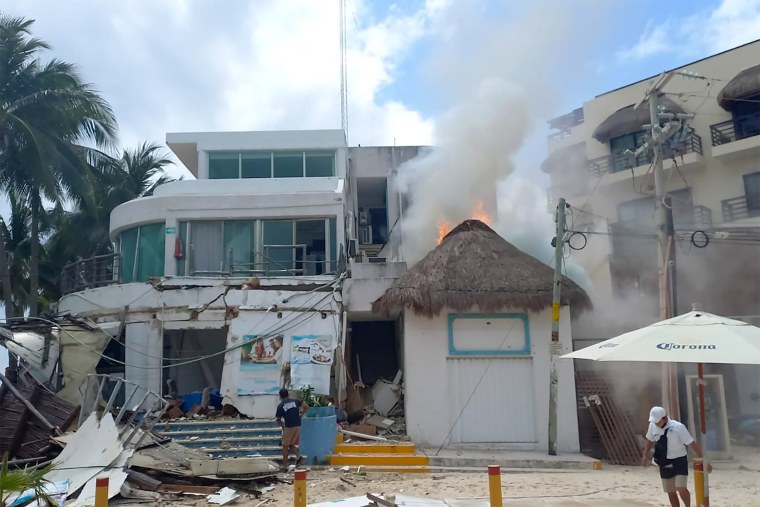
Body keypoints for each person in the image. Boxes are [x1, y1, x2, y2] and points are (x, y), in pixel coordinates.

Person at [640, 406, 711, 507]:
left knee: (681, 487)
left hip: (679, 460)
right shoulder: (652, 426)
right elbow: (650, 440)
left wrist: (704, 461)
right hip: (663, 461)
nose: (656, 424)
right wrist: (645, 455)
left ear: (664, 418)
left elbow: (692, 443)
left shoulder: (678, 427)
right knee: (671, 491)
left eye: (658, 421)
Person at [275, 387, 308, 468]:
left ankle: (285, 466)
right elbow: (306, 406)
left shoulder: (280, 406)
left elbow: (278, 419)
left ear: (280, 396)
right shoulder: (295, 401)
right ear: (288, 394)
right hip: (298, 425)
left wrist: (283, 427)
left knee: (285, 446)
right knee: (291, 444)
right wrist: (301, 415)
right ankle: (300, 458)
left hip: (289, 426)